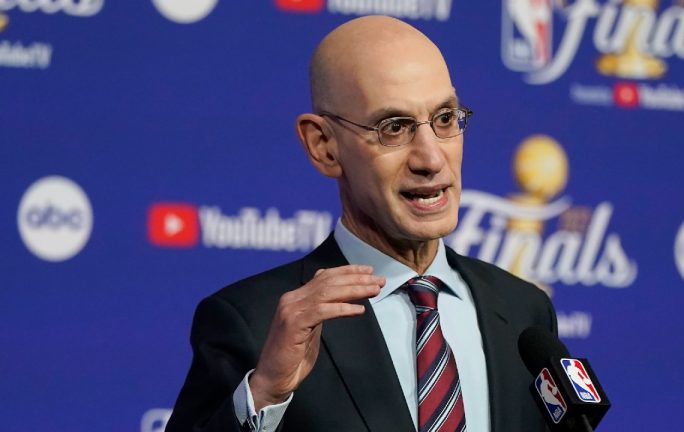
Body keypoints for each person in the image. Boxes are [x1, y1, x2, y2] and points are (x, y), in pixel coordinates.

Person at [166, 15, 556, 432]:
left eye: (445, 119)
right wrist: (264, 394)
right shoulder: (253, 324)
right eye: (394, 128)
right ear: (324, 146)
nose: (431, 159)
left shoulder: (523, 312)